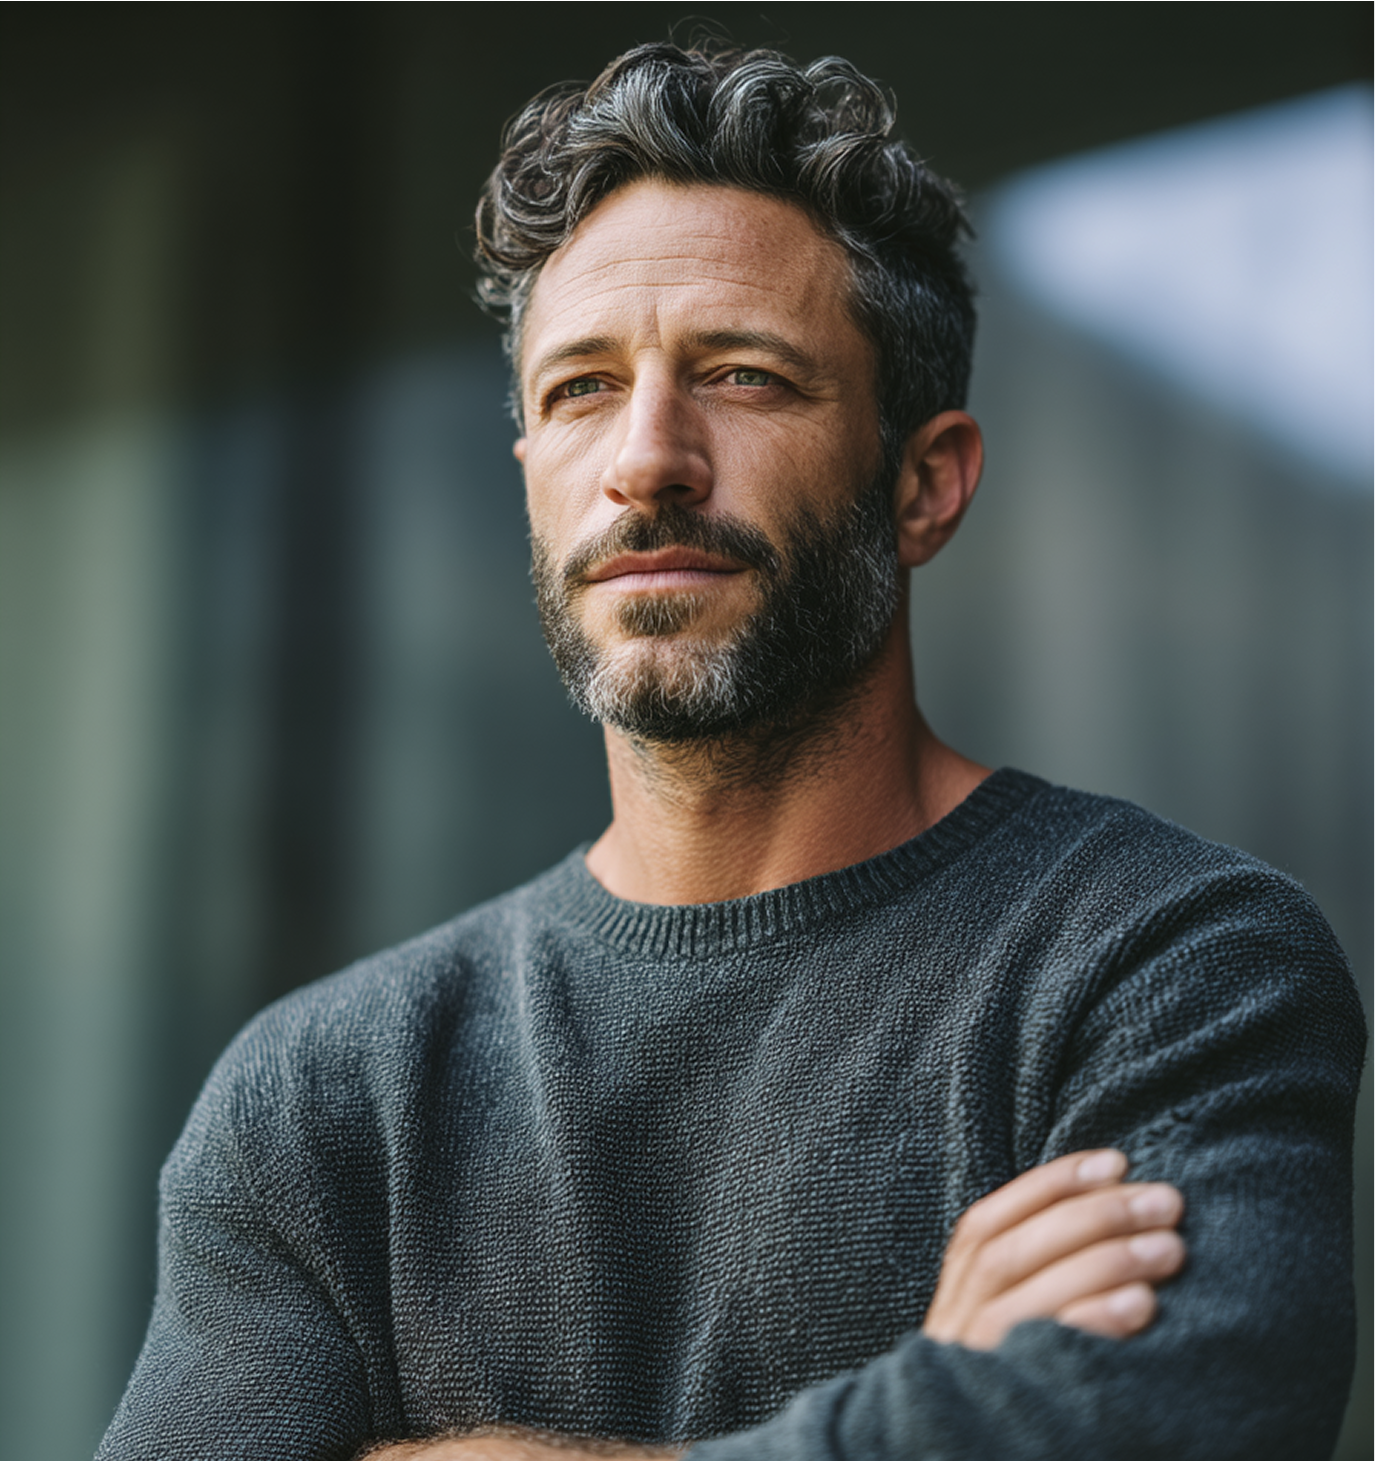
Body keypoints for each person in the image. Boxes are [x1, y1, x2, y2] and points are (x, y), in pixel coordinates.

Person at [97, 43, 1363, 1462]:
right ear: (527, 474)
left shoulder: (1161, 962)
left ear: (923, 481)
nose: (647, 458)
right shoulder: (329, 1096)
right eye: (579, 389)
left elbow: (1178, 1425)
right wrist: (937, 1400)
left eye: (743, 376)